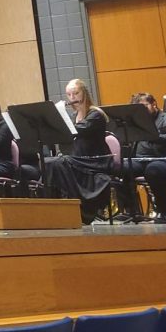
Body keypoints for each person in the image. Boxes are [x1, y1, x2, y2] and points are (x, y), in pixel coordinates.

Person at [44, 78, 112, 224]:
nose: (72, 97)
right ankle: (55, 207)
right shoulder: (74, 116)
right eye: (69, 94)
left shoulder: (96, 114)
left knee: (58, 163)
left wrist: (59, 113)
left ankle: (79, 209)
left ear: (84, 93)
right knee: (48, 162)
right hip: (79, 160)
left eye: (75, 93)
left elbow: (76, 131)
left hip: (94, 162)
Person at [121, 93, 166, 223]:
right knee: (122, 167)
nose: (142, 111)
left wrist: (157, 137)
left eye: (144, 106)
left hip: (164, 160)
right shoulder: (137, 123)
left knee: (153, 170)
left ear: (154, 104)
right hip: (140, 161)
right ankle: (131, 211)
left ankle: (164, 212)